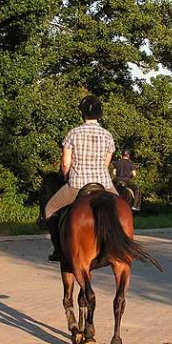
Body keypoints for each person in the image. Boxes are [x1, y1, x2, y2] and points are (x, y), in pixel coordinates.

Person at [44, 95, 119, 262]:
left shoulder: (73, 133)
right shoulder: (107, 135)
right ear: (100, 113)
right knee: (122, 210)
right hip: (104, 184)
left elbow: (65, 163)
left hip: (77, 185)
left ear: (82, 113)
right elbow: (106, 163)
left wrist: (66, 177)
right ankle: (118, 246)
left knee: (49, 209)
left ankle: (58, 250)